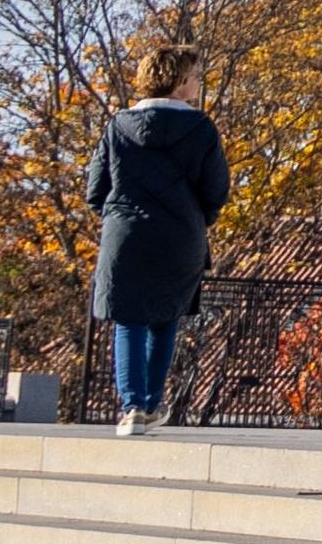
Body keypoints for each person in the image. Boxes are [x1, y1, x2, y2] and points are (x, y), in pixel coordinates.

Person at [83, 37, 227, 435]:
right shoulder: (200, 129)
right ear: (180, 81)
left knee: (127, 320)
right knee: (166, 320)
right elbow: (216, 189)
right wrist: (197, 219)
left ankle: (130, 408)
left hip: (125, 236)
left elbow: (96, 188)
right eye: (195, 76)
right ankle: (149, 405)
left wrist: (118, 217)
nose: (198, 84)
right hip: (180, 236)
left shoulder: (119, 127)